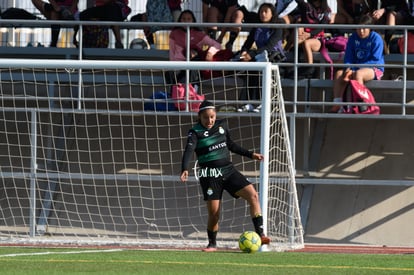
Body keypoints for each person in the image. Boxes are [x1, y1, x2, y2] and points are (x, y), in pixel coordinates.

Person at [180, 100, 270, 252]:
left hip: (228, 171)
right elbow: (189, 151)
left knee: (253, 195)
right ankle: (212, 244)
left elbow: (231, 145)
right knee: (214, 214)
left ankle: (261, 234)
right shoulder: (195, 132)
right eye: (206, 118)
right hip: (210, 176)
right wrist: (185, 168)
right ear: (199, 117)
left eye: (212, 117)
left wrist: (251, 154)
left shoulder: (222, 126)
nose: (210, 120)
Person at [236, 2, 286, 113]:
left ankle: (260, 102)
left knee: (259, 70)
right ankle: (246, 102)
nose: (263, 14)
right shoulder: (257, 27)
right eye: (261, 12)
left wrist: (251, 54)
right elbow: (247, 43)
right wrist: (244, 52)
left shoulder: (277, 28)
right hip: (259, 57)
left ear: (272, 14)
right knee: (248, 71)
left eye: (266, 12)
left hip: (274, 58)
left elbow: (269, 47)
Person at [330, 14, 384, 113]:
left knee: (359, 74)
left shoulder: (376, 38)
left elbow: (375, 59)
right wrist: (348, 68)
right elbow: (348, 57)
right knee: (338, 74)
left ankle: (362, 103)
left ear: (370, 28)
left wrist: (355, 68)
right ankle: (338, 104)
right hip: (355, 67)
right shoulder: (352, 38)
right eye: (359, 28)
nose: (361, 31)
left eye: (364, 28)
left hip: (374, 68)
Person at [168, 9, 223, 84]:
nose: (186, 21)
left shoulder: (199, 34)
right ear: (180, 20)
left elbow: (217, 45)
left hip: (193, 65)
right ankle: (177, 93)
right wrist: (173, 66)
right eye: (183, 19)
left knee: (192, 69)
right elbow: (172, 52)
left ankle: (190, 92)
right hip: (178, 65)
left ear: (193, 21)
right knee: (170, 74)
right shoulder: (174, 33)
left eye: (188, 19)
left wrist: (210, 52)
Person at [290, 0, 332, 78]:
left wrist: (310, 34)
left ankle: (309, 67)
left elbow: (322, 27)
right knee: (298, 31)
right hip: (304, 35)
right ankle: (294, 66)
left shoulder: (327, 10)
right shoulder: (306, 6)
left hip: (319, 38)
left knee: (306, 43)